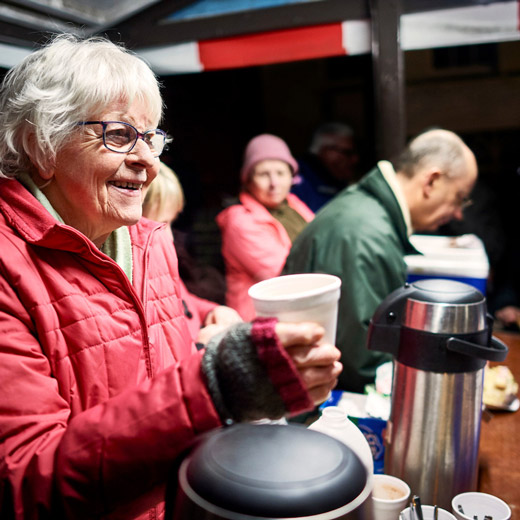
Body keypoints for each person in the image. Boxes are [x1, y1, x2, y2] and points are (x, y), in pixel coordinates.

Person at [0, 35, 342, 520]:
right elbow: (25, 483)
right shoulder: (7, 267)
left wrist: (223, 342)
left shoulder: (148, 239)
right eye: (118, 135)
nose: (148, 160)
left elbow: (153, 355)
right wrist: (216, 383)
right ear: (43, 146)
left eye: (151, 137)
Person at [284, 129, 478, 393]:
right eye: (459, 197)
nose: (457, 214)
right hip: (318, 406)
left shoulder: (370, 213)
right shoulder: (364, 232)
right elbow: (362, 358)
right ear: (432, 181)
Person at [216, 134, 314, 321]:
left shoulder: (293, 205)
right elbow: (283, 275)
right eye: (263, 174)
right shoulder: (240, 220)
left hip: (296, 312)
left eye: (280, 173)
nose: (274, 183)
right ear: (248, 180)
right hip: (261, 321)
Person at [142, 161, 242, 345]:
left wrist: (213, 311)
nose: (170, 236)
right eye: (161, 225)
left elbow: (182, 299)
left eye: (172, 223)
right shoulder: (137, 276)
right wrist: (199, 344)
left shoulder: (158, 260)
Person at [291, 122, 360, 212]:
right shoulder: (297, 181)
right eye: (347, 152)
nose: (355, 159)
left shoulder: (338, 180)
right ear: (325, 150)